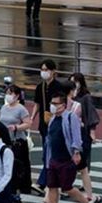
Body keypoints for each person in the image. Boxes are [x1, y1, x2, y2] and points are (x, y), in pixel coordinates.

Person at [41, 93, 94, 203]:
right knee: (52, 186)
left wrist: (76, 152)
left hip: (67, 159)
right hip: (53, 159)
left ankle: (86, 202)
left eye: (55, 104)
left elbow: (76, 137)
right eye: (51, 103)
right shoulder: (53, 119)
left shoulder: (71, 117)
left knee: (67, 187)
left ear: (63, 105)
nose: (52, 106)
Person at [64, 78, 102, 203]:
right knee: (83, 170)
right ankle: (89, 197)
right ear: (71, 91)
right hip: (76, 141)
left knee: (59, 171)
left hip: (62, 141)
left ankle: (51, 197)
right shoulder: (76, 106)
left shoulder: (56, 105)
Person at [31, 59, 63, 195]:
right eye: (42, 70)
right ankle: (52, 182)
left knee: (49, 154)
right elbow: (37, 104)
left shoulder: (58, 87)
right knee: (47, 154)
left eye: (46, 70)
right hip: (44, 124)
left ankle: (43, 182)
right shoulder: (40, 87)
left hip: (55, 124)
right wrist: (32, 117)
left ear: (53, 71)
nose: (44, 72)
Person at [0, 85, 32, 200]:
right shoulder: (3, 108)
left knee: (19, 165)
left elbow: (28, 123)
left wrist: (16, 127)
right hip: (5, 140)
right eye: (7, 93)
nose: (8, 95)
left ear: (17, 95)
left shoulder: (21, 109)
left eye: (11, 93)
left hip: (17, 141)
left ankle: (21, 186)